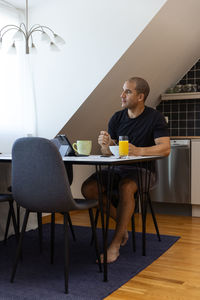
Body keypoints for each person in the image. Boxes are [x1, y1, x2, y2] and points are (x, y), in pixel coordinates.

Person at [81, 77, 170, 263]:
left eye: (127, 92)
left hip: (144, 171)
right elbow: (107, 153)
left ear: (140, 96)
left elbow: (165, 148)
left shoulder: (155, 118)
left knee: (126, 186)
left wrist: (138, 151)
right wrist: (104, 145)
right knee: (88, 189)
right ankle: (123, 230)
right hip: (117, 168)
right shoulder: (117, 117)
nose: (122, 95)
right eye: (123, 90)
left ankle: (114, 244)